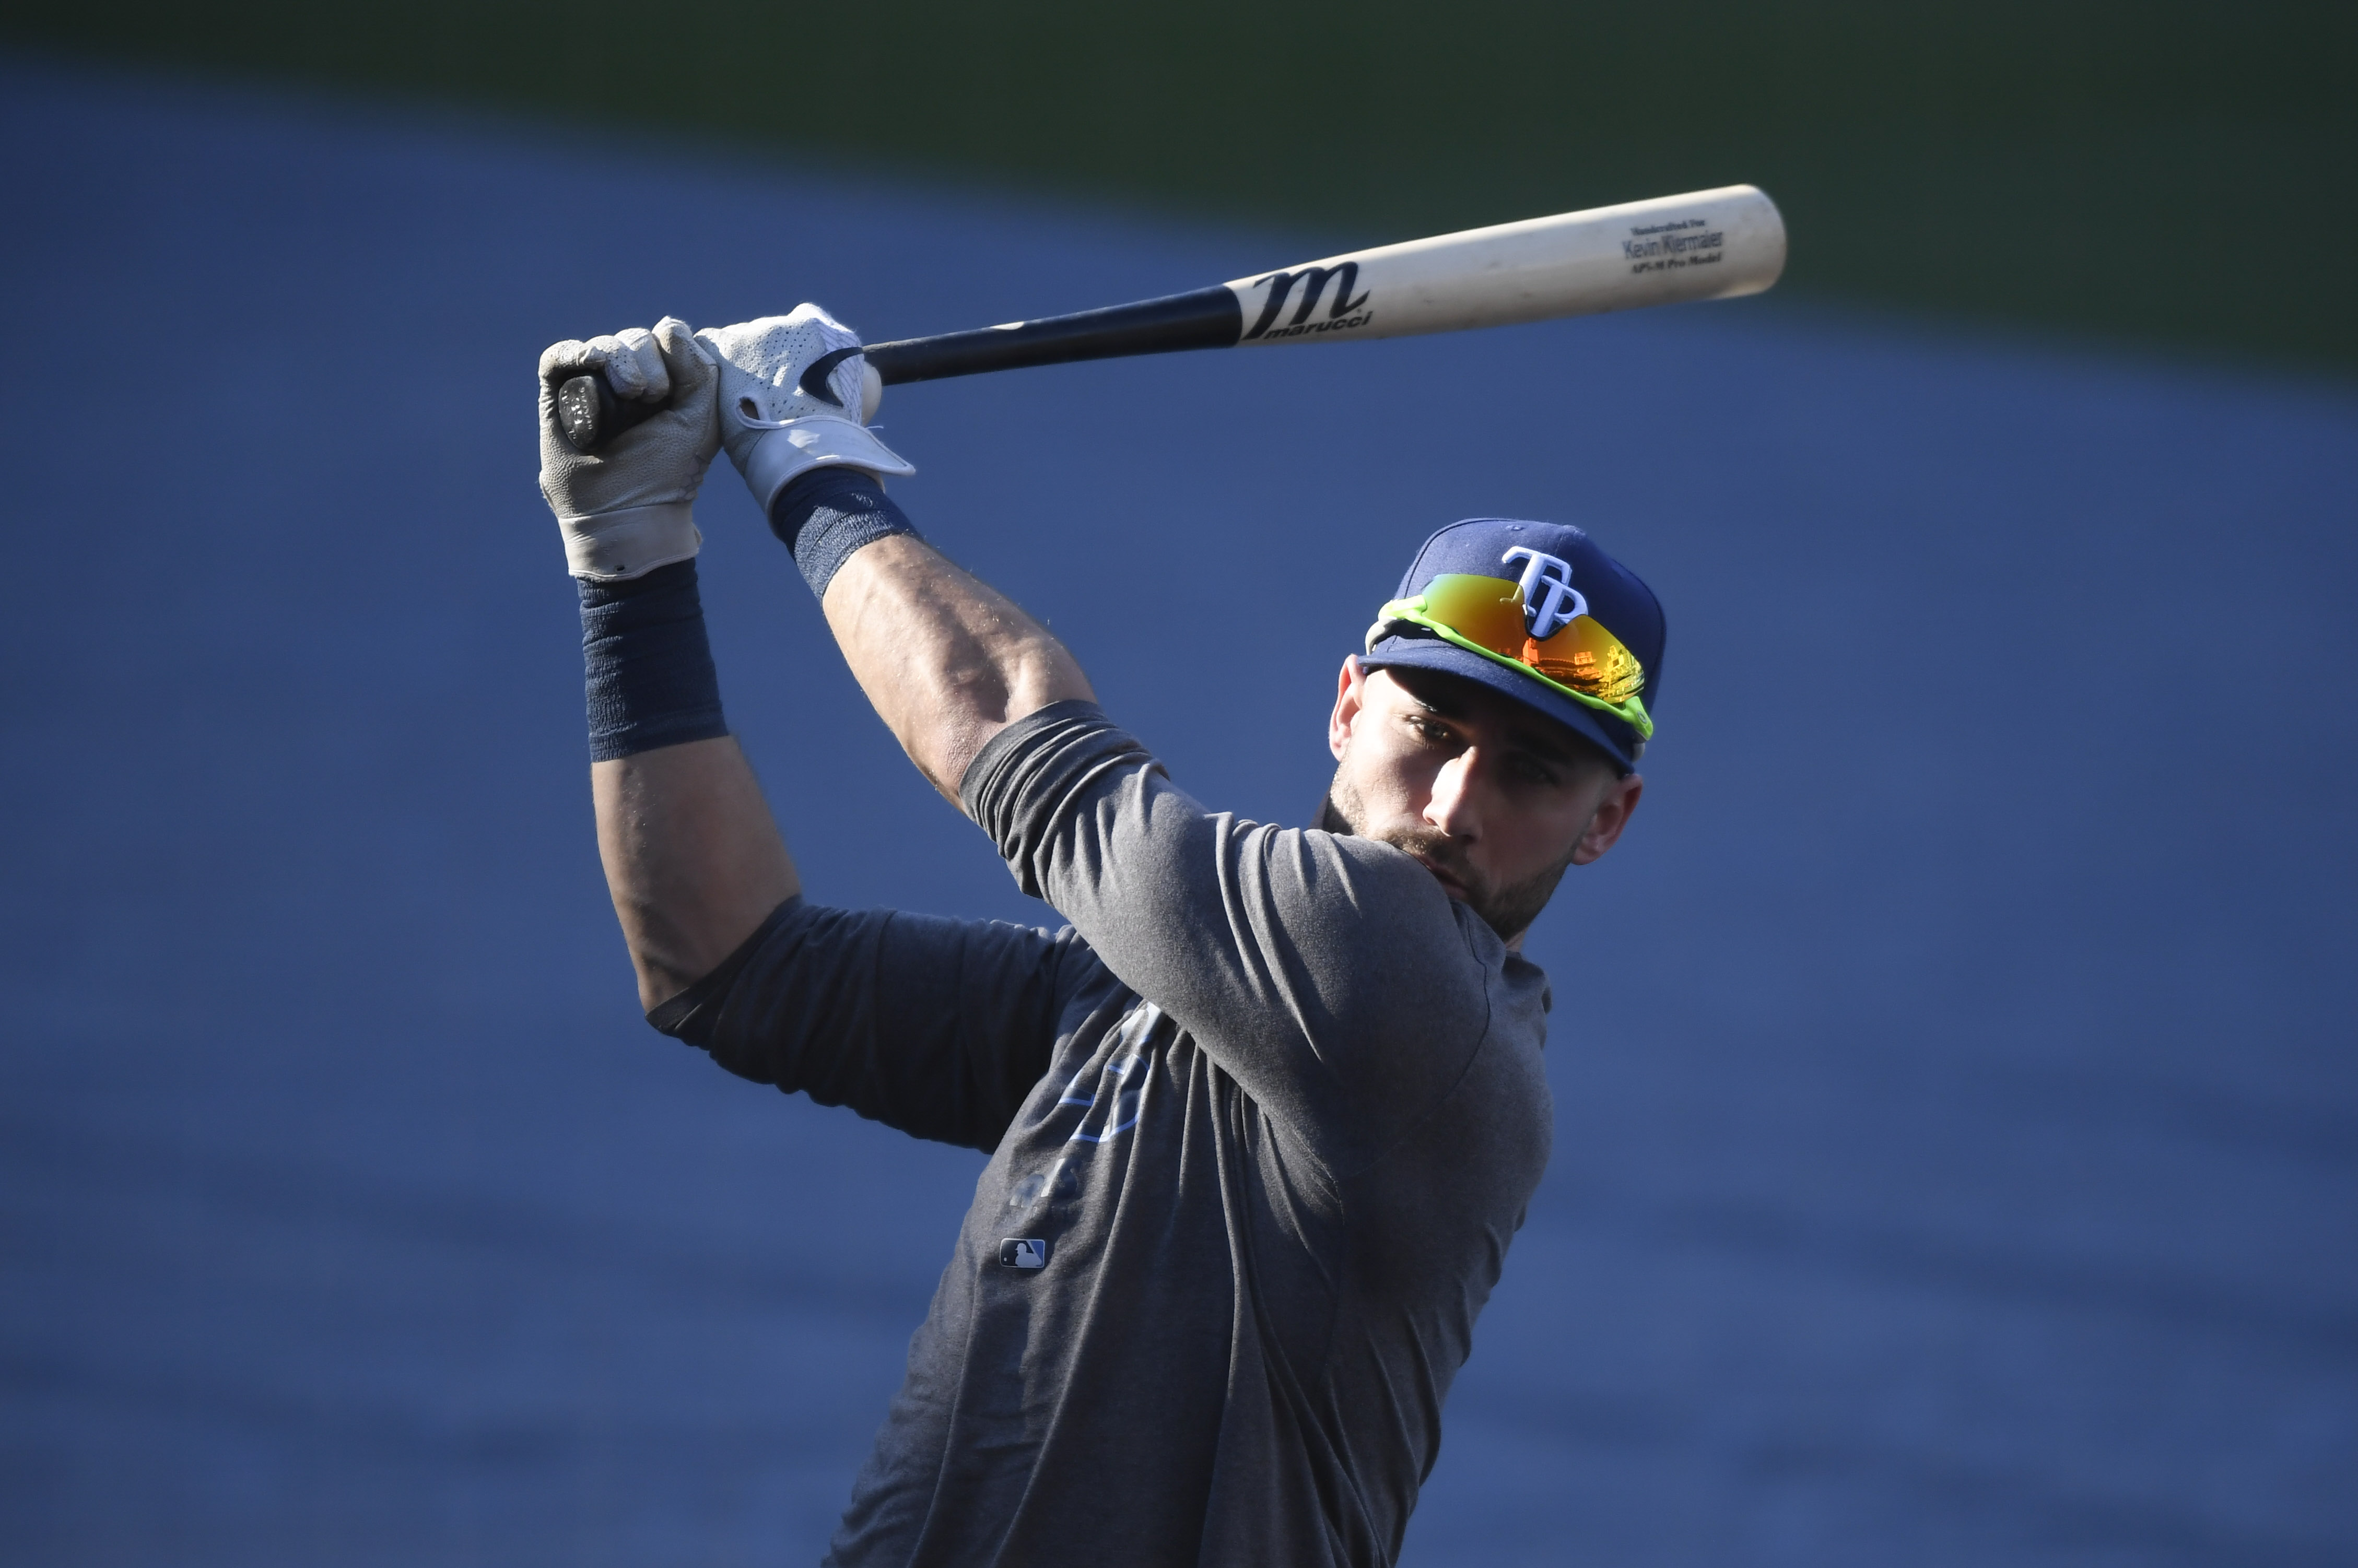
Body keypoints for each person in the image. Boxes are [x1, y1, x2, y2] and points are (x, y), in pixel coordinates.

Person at [535, 305, 1661, 1567]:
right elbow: (726, 963)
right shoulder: (1150, 1004)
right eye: (1435, 732)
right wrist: (628, 561)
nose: (1455, 808)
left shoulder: (1399, 984)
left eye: (1531, 772)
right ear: (1349, 707)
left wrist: (803, 458)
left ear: (1604, 820)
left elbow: (1012, 733)